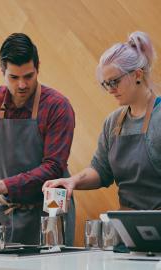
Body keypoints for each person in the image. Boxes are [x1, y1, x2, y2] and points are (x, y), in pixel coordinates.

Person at [0, 33, 75, 245]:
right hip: (5, 213)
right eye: (14, 77)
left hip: (49, 215)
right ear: (2, 71)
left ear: (37, 68)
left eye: (28, 76)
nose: (22, 85)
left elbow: (53, 167)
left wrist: (3, 185)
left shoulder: (57, 106)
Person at [43, 31, 161, 211]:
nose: (111, 90)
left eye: (114, 82)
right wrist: (72, 181)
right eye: (106, 84)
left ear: (137, 75)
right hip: (129, 228)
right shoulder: (113, 123)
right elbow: (100, 170)